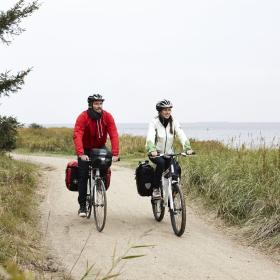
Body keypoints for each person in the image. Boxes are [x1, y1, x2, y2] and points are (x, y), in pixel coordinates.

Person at [73, 94, 119, 217]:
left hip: (99, 147)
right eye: (96, 104)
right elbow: (77, 134)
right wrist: (81, 153)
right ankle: (82, 206)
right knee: (83, 176)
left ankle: (100, 182)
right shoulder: (83, 117)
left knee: (106, 161)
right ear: (91, 105)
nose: (99, 106)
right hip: (85, 149)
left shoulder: (107, 116)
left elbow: (114, 134)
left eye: (100, 103)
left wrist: (115, 153)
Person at [145, 99, 194, 199]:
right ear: (160, 111)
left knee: (176, 168)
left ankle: (174, 191)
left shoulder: (174, 121)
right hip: (156, 153)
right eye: (165, 110)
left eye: (169, 110)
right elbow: (150, 136)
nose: (167, 112)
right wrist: (151, 149)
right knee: (161, 163)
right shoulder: (154, 122)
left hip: (169, 153)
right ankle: (156, 189)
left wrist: (187, 148)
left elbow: (181, 134)